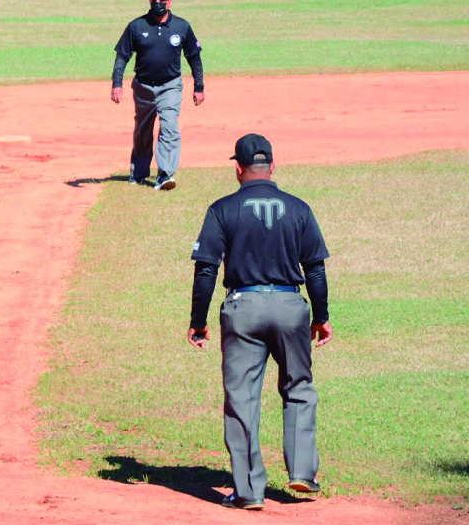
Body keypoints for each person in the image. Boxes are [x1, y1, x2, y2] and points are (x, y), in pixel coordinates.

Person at [187, 134, 335, 510]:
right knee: (299, 386)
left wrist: (198, 321)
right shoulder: (298, 208)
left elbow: (206, 270)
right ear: (272, 166)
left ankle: (250, 491)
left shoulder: (222, 209)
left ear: (237, 169)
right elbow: (315, 270)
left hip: (243, 309)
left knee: (242, 399)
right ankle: (302, 473)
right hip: (289, 306)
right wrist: (321, 317)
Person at [111, 0, 205, 191]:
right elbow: (122, 56)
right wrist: (117, 84)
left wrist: (199, 86)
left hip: (170, 86)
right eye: (154, 0)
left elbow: (194, 56)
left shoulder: (182, 26)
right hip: (143, 87)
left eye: (161, 1)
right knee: (143, 130)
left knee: (169, 126)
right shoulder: (137, 26)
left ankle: (165, 174)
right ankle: (138, 172)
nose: (158, 3)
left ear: (169, 2)